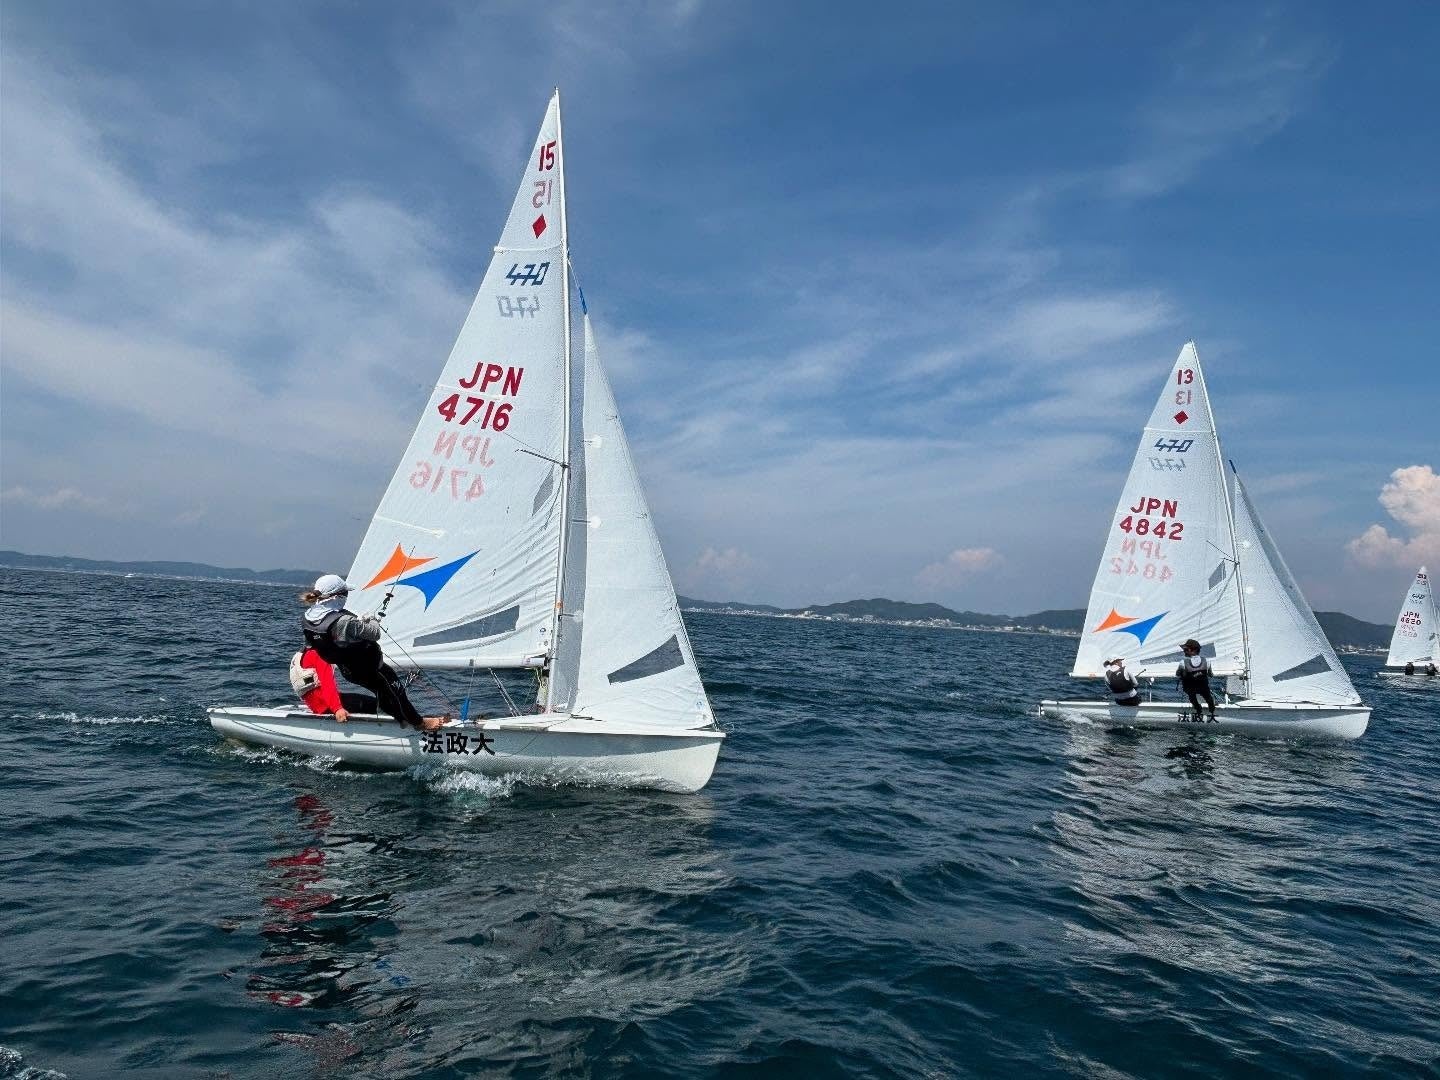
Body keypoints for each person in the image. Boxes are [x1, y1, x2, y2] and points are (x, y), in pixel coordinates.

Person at [299, 574, 443, 732]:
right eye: (345, 594)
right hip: (371, 669)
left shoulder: (308, 618)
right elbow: (375, 633)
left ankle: (400, 720)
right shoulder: (345, 621)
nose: (346, 597)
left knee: (383, 692)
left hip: (349, 672)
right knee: (397, 692)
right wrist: (372, 619)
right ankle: (419, 723)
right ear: (338, 596)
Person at [290, 647, 377, 722]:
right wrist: (337, 708)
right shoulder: (321, 654)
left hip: (316, 707)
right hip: (327, 706)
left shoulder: (303, 655)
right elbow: (327, 684)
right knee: (374, 704)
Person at [1175, 639, 1217, 721]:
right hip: (1203, 687)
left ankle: (1198, 708)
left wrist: (1184, 674)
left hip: (1190, 688)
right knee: (1207, 695)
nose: (1184, 651)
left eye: (1185, 649)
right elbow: (1210, 674)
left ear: (1191, 650)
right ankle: (1211, 707)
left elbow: (1177, 674)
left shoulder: (1183, 663)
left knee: (1191, 696)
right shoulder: (1207, 661)